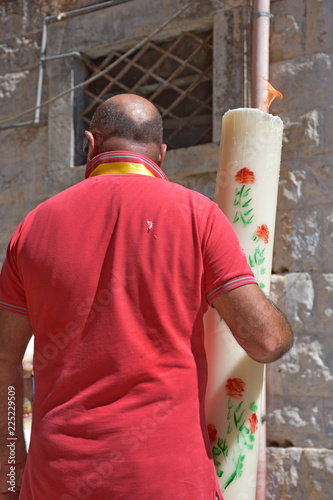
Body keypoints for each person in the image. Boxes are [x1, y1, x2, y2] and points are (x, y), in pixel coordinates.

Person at [0, 93, 293, 500]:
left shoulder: (31, 229)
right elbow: (266, 340)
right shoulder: (198, 215)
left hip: (56, 481)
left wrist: (11, 476)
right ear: (162, 154)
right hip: (169, 482)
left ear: (90, 144)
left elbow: (5, 365)